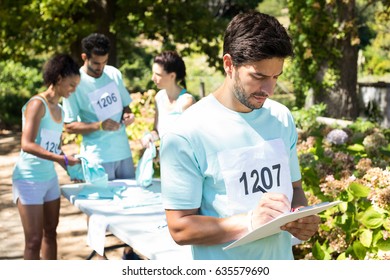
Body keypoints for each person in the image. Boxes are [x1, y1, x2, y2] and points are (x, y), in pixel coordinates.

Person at [160, 11, 321, 260]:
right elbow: (179, 227)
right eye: (258, 77)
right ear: (228, 65)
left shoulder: (280, 117)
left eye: (276, 77)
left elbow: (294, 187)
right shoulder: (186, 132)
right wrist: (250, 221)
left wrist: (300, 215)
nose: (269, 89)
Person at [62, 33, 136, 260]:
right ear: (84, 57)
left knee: (131, 202)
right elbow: (69, 126)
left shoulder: (113, 73)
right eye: (96, 63)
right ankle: (99, 255)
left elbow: (126, 106)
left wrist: (128, 115)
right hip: (96, 156)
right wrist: (99, 125)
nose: (101, 68)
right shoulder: (76, 82)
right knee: (97, 208)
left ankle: (129, 251)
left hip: (122, 151)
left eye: (104, 62)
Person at [12, 54, 81, 260]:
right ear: (58, 79)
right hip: (28, 179)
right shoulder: (37, 104)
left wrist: (69, 165)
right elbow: (27, 144)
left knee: (50, 233)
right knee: (33, 241)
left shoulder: (59, 109)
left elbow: (54, 147)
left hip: (49, 180)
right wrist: (59, 159)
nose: (73, 90)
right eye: (71, 84)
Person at [141, 50, 195, 148]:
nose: (153, 78)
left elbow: (193, 139)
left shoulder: (186, 102)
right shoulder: (159, 98)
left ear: (172, 76)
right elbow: (156, 131)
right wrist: (150, 137)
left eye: (158, 74)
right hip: (165, 160)